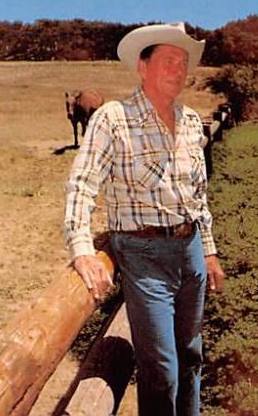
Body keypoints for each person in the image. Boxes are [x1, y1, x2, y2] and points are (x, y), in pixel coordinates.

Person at [63, 22, 225, 416]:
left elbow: (197, 196)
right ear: (142, 67)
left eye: (183, 63)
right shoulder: (113, 119)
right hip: (144, 255)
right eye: (168, 60)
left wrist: (208, 249)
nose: (178, 70)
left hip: (189, 251)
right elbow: (81, 185)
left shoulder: (190, 122)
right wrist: (82, 250)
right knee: (161, 370)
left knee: (191, 356)